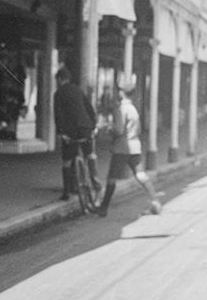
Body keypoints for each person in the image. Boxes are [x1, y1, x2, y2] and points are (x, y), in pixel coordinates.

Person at [97, 77, 162, 217]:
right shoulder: (133, 109)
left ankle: (103, 208)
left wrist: (109, 128)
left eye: (119, 90)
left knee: (112, 178)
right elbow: (137, 130)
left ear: (121, 92)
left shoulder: (120, 108)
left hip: (122, 147)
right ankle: (155, 201)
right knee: (141, 175)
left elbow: (119, 130)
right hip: (135, 146)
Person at [53, 66, 100, 200]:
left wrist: (61, 133)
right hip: (85, 128)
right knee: (90, 155)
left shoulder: (58, 93)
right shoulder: (78, 90)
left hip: (71, 131)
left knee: (67, 161)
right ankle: (96, 185)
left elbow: (58, 115)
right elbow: (89, 109)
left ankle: (66, 192)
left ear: (60, 79)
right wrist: (93, 125)